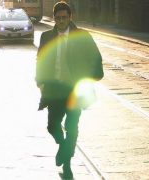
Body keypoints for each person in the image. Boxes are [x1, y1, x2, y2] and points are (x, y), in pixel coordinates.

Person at [36, 1, 104, 179]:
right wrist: (40, 82)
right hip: (54, 90)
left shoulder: (82, 36)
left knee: (72, 127)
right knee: (52, 126)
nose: (60, 21)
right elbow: (40, 61)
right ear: (54, 18)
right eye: (57, 18)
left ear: (70, 17)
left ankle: (66, 162)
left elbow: (96, 58)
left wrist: (90, 79)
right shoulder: (46, 37)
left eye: (64, 17)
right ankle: (63, 146)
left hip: (75, 91)